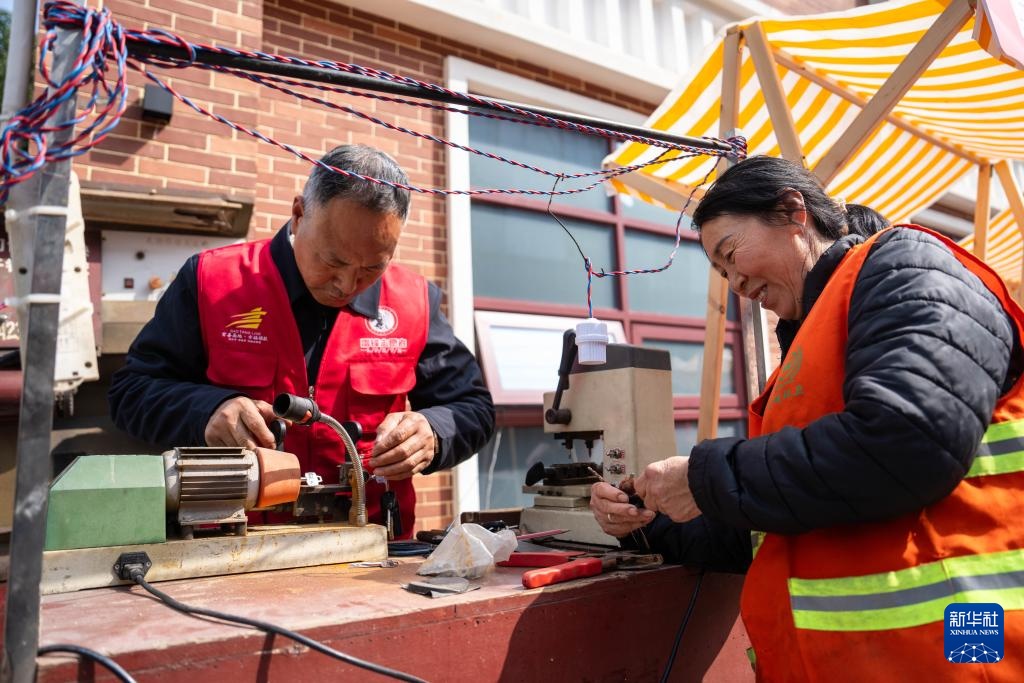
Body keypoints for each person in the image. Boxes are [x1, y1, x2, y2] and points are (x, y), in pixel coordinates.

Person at [590, 156, 1024, 680]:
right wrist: (647, 520)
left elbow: (908, 442)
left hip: (956, 653)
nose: (735, 283)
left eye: (730, 254)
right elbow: (773, 521)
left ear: (793, 211)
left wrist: (704, 477)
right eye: (722, 272)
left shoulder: (908, 265)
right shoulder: (809, 344)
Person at [109, 144, 495, 538]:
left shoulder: (414, 302)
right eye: (333, 261)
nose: (347, 285)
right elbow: (130, 392)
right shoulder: (214, 282)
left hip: (373, 551)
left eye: (372, 267)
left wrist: (433, 430)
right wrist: (206, 410)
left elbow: (474, 408)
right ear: (298, 215)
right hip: (230, 547)